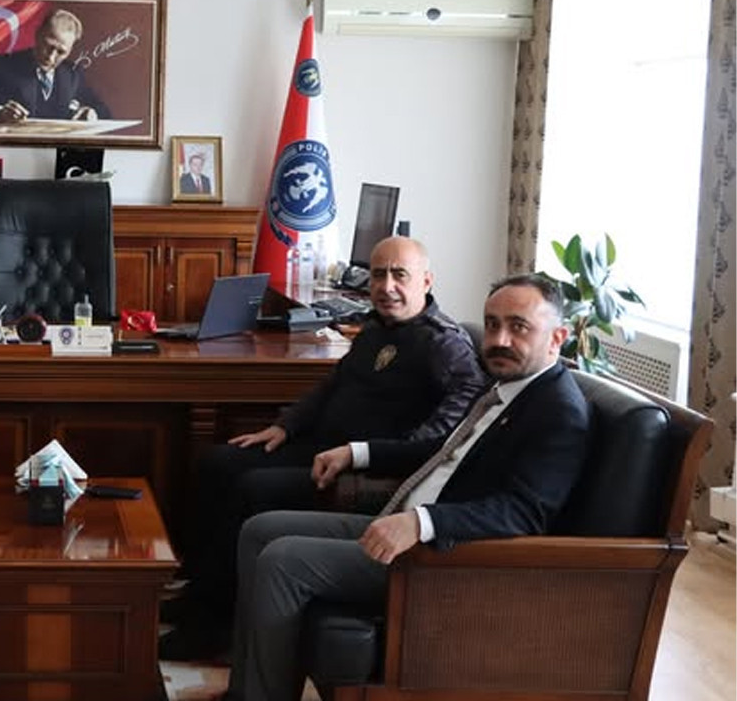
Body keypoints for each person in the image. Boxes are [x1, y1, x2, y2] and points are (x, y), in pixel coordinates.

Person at [226, 273, 590, 701]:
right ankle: (245, 691)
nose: (499, 340)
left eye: (518, 327)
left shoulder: (558, 412)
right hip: (401, 518)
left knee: (283, 560)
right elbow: (444, 450)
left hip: (442, 557)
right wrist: (356, 453)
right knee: (259, 530)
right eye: (492, 324)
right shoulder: (507, 387)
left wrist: (421, 523)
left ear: (558, 337)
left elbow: (525, 512)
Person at [159, 236, 489, 660]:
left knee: (253, 488)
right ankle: (201, 591)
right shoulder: (375, 328)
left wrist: (362, 453)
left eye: (399, 275)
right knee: (217, 463)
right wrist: (284, 426)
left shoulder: (445, 345)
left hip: (367, 473)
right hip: (323, 449)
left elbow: (442, 437)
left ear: (426, 281)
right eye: (378, 275)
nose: (387, 286)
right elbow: (331, 386)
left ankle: (216, 626)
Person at [0, 8, 109, 123]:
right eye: (48, 46)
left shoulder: (72, 73)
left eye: (61, 52)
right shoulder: (3, 65)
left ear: (70, 50)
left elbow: (103, 111)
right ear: (37, 35)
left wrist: (91, 113)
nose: (51, 57)